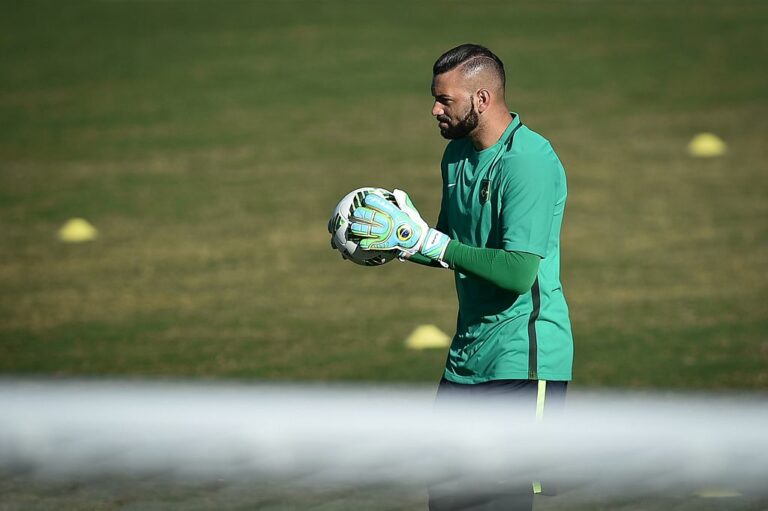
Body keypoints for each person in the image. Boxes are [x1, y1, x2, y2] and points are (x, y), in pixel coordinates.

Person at [348, 43, 573, 510]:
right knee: (448, 498)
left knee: (500, 501)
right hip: (466, 361)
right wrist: (401, 241)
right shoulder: (456, 157)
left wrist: (432, 242)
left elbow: (516, 272)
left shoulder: (528, 162)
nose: (434, 109)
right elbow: (452, 247)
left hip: (522, 362)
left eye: (445, 100)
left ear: (483, 99)